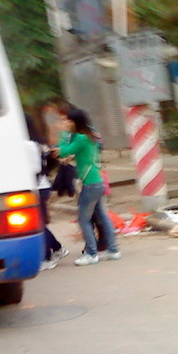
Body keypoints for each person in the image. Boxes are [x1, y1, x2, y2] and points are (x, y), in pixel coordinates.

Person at [55, 107, 121, 266]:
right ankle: (113, 250)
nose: (66, 123)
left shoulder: (80, 138)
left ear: (75, 122)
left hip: (90, 184)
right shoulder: (90, 136)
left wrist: (64, 134)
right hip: (98, 181)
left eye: (68, 120)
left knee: (83, 220)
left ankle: (91, 254)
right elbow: (81, 155)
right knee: (103, 217)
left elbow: (63, 151)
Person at [25, 113, 67, 271]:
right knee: (39, 223)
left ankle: (48, 256)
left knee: (38, 224)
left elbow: (33, 169)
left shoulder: (26, 145)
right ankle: (56, 248)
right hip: (42, 185)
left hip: (35, 188)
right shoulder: (37, 143)